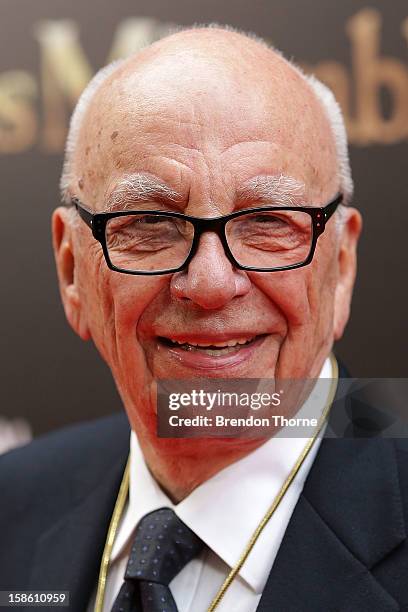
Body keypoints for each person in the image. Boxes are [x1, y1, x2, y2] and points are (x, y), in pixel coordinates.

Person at [1, 25, 407, 612]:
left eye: (269, 220)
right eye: (148, 223)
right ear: (71, 272)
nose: (212, 283)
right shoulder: (11, 508)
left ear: (341, 266)